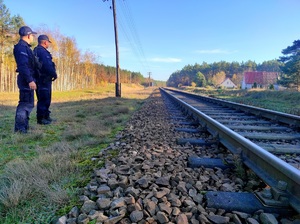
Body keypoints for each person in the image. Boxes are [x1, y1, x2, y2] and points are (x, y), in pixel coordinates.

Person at [13, 26, 38, 133]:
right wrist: (30, 80)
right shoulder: (21, 48)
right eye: (32, 35)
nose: (33, 37)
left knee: (29, 103)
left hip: (28, 78)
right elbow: (23, 66)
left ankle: (24, 126)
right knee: (24, 104)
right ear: (28, 35)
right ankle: (20, 129)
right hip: (25, 79)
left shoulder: (25, 47)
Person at [34, 34, 57, 125]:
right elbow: (47, 66)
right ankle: (41, 119)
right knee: (44, 99)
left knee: (43, 98)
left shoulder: (35, 51)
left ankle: (46, 116)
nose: (48, 44)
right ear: (45, 42)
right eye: (48, 42)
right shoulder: (43, 52)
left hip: (39, 79)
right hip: (43, 79)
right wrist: (54, 74)